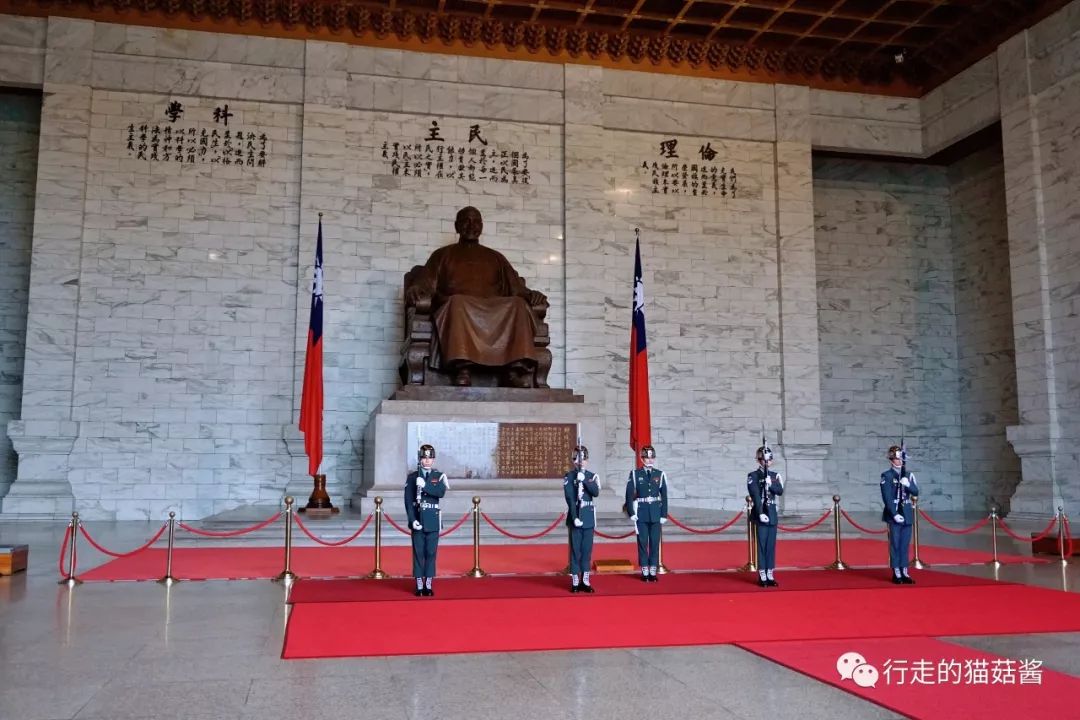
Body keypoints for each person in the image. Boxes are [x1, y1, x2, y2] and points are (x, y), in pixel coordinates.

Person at [405, 206, 548, 387]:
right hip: (459, 306)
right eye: (466, 221)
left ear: (482, 226)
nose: (471, 225)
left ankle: (512, 371)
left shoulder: (495, 257)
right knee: (457, 302)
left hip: (494, 308)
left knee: (518, 305)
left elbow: (517, 288)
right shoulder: (442, 255)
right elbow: (425, 283)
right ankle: (462, 368)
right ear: (457, 226)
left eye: (476, 221)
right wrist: (415, 289)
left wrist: (531, 295)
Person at [405, 444, 448, 596]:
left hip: (433, 521)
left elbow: (440, 492)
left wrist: (425, 486)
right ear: (420, 459)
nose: (427, 461)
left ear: (434, 460)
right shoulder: (412, 478)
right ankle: (418, 584)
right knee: (418, 553)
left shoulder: (438, 476)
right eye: (424, 457)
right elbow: (408, 502)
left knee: (431, 553)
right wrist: (412, 520)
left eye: (430, 458)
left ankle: (428, 584)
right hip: (418, 520)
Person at [624, 445, 668, 582]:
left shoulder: (659, 474)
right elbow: (629, 494)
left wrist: (663, 514)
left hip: (655, 512)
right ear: (642, 459)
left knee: (654, 542)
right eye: (647, 457)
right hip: (641, 512)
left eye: (652, 457)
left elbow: (664, 496)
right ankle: (644, 569)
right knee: (643, 542)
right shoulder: (635, 474)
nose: (650, 460)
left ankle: (653, 570)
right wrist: (631, 512)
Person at [564, 444, 601, 593]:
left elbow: (595, 492)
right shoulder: (569, 476)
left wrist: (584, 479)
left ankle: (585, 580)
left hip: (588, 517)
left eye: (584, 459)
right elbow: (569, 498)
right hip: (576, 516)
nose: (581, 462)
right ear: (574, 460)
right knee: (575, 550)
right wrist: (574, 517)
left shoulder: (592, 476)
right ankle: (575, 580)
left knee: (586, 550)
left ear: (587, 460)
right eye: (578, 459)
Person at [880, 445, 919, 584]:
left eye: (902, 458)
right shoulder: (887, 476)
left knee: (904, 544)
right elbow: (887, 497)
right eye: (897, 459)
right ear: (891, 460)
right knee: (895, 544)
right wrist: (894, 513)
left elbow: (915, 492)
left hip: (907, 513)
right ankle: (896, 572)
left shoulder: (908, 475)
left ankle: (905, 571)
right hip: (894, 513)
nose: (900, 461)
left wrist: (908, 484)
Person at [748, 446, 784, 587]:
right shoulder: (753, 476)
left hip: (772, 514)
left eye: (769, 459)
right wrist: (760, 512)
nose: (766, 462)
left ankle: (770, 574)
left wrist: (771, 485)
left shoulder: (775, 476)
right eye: (763, 459)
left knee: (771, 546)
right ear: (759, 460)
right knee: (762, 545)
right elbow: (755, 495)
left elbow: (780, 491)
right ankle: (762, 574)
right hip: (761, 513)